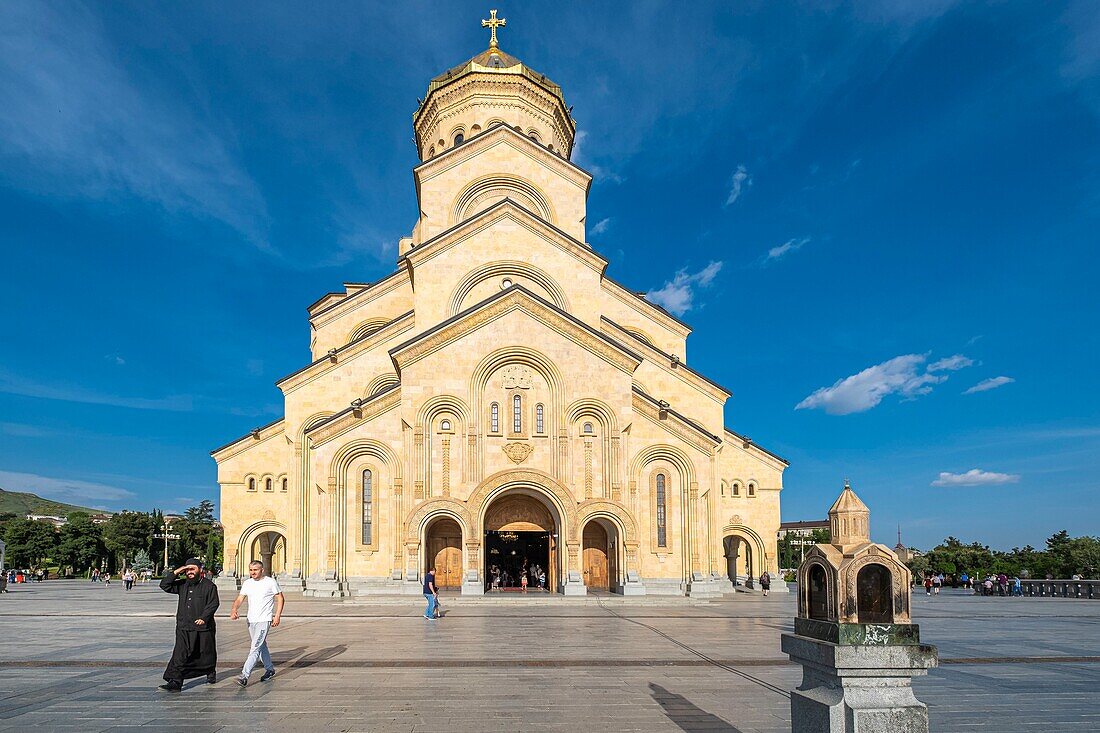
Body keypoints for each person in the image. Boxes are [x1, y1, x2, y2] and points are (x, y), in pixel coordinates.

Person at [159, 558, 219, 692]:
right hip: (183, 626)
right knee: (180, 653)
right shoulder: (182, 584)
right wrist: (177, 571)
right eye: (187, 570)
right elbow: (164, 585)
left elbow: (213, 603)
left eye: (193, 569)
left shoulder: (209, 586)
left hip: (203, 628)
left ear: (200, 570)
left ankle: (210, 671)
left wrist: (204, 617)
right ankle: (175, 681)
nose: (190, 572)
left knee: (205, 652)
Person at [230, 561, 284, 687]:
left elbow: (280, 598)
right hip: (251, 620)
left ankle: (244, 676)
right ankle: (270, 669)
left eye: (255, 570)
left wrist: (277, 615)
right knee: (261, 645)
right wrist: (234, 609)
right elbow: (240, 598)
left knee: (255, 648)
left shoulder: (270, 582)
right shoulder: (247, 583)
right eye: (251, 570)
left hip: (264, 620)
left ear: (262, 570)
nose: (253, 572)